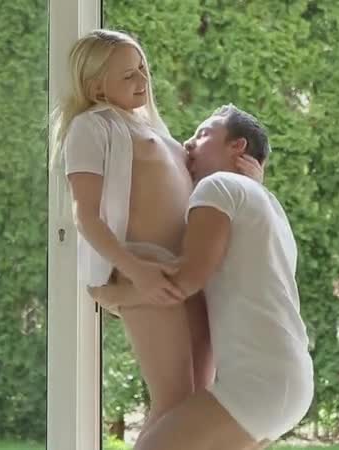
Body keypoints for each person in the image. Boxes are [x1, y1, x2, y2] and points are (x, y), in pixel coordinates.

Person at [51, 29, 264, 440]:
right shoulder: (92, 127)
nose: (142, 80)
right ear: (95, 87)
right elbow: (86, 215)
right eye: (127, 75)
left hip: (189, 273)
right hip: (148, 268)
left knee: (199, 402)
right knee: (173, 400)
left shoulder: (155, 129)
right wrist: (135, 270)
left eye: (142, 68)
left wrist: (251, 183)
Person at [90, 104, 314, 450]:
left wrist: (115, 295)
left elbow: (185, 280)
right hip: (284, 378)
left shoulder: (218, 186)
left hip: (260, 382)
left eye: (203, 134)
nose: (188, 143)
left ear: (237, 146)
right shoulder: (267, 204)